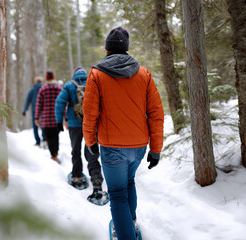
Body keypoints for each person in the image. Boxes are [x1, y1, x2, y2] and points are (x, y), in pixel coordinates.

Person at [82, 26, 164, 240]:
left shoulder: (96, 74)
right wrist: (155, 149)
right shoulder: (144, 74)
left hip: (111, 147)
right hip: (138, 146)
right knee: (129, 183)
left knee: (118, 194)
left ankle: (124, 232)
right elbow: (156, 114)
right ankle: (130, 224)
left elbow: (90, 114)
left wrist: (90, 142)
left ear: (107, 50)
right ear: (126, 50)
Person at [55, 67, 106, 201]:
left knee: (75, 150)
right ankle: (96, 182)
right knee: (92, 152)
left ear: (74, 74)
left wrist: (59, 121)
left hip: (74, 124)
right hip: (91, 124)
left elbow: (60, 102)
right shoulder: (92, 82)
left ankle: (77, 177)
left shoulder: (70, 85)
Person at [35, 70, 62, 162]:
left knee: (49, 138)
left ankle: (53, 155)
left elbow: (39, 105)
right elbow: (63, 104)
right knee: (56, 137)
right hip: (57, 119)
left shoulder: (43, 89)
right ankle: (56, 154)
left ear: (46, 78)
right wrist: (65, 117)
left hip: (46, 120)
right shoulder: (59, 88)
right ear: (54, 77)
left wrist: (36, 117)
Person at [23, 76, 46, 147]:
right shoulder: (44, 89)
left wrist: (25, 110)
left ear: (36, 81)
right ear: (41, 81)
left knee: (35, 126)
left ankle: (38, 141)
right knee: (43, 125)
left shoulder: (31, 90)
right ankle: (44, 139)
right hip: (43, 110)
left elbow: (27, 101)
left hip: (34, 110)